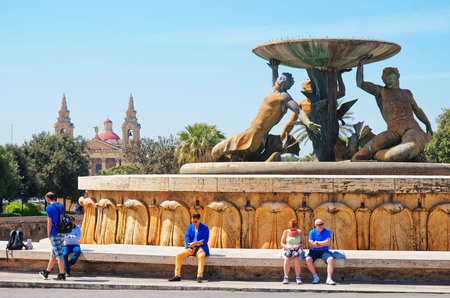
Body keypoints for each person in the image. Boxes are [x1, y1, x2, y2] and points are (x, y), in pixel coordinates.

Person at [212, 69, 321, 162]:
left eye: (282, 79)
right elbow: (274, 85)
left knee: (215, 151)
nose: (278, 80)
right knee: (240, 159)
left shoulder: (284, 97)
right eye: (279, 78)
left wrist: (308, 123)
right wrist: (274, 69)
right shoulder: (276, 93)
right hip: (256, 136)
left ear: (285, 84)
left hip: (253, 135)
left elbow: (299, 111)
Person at [352, 55, 433, 162]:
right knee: (357, 157)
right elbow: (360, 84)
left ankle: (376, 155)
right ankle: (375, 155)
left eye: (390, 78)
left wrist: (428, 124)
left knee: (408, 148)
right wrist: (360, 65)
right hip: (392, 131)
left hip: (412, 128)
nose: (387, 81)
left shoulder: (407, 93)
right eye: (385, 80)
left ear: (397, 76)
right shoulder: (381, 91)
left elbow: (418, 110)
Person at [168, 213, 210, 283]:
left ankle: (199, 276)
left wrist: (195, 243)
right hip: (191, 247)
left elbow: (205, 240)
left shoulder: (205, 228)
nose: (194, 223)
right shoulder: (190, 227)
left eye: (195, 221)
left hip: (200, 247)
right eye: (192, 221)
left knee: (201, 256)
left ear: (199, 220)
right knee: (178, 255)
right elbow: (187, 237)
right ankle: (177, 276)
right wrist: (189, 248)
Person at [39, 192, 67, 281]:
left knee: (59, 254)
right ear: (54, 197)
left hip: (54, 233)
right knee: (54, 254)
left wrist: (48, 233)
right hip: (62, 232)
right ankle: (46, 272)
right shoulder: (62, 206)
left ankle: (62, 274)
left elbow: (49, 222)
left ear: (47, 199)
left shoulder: (49, 208)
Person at [305, 219, 336, 285]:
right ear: (315, 226)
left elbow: (327, 243)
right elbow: (310, 244)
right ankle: (315, 276)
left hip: (324, 251)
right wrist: (322, 244)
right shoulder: (312, 232)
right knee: (308, 259)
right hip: (313, 251)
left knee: (331, 259)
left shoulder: (327, 231)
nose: (321, 226)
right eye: (319, 225)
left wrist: (317, 243)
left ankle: (329, 278)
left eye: (322, 224)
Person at [280, 219, 305, 284]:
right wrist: (289, 247)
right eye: (292, 230)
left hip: (297, 249)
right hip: (287, 249)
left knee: (296, 258)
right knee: (287, 258)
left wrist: (298, 246)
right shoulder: (286, 232)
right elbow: (282, 243)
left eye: (295, 230)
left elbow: (303, 243)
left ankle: (298, 277)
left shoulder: (300, 232)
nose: (293, 231)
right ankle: (286, 277)